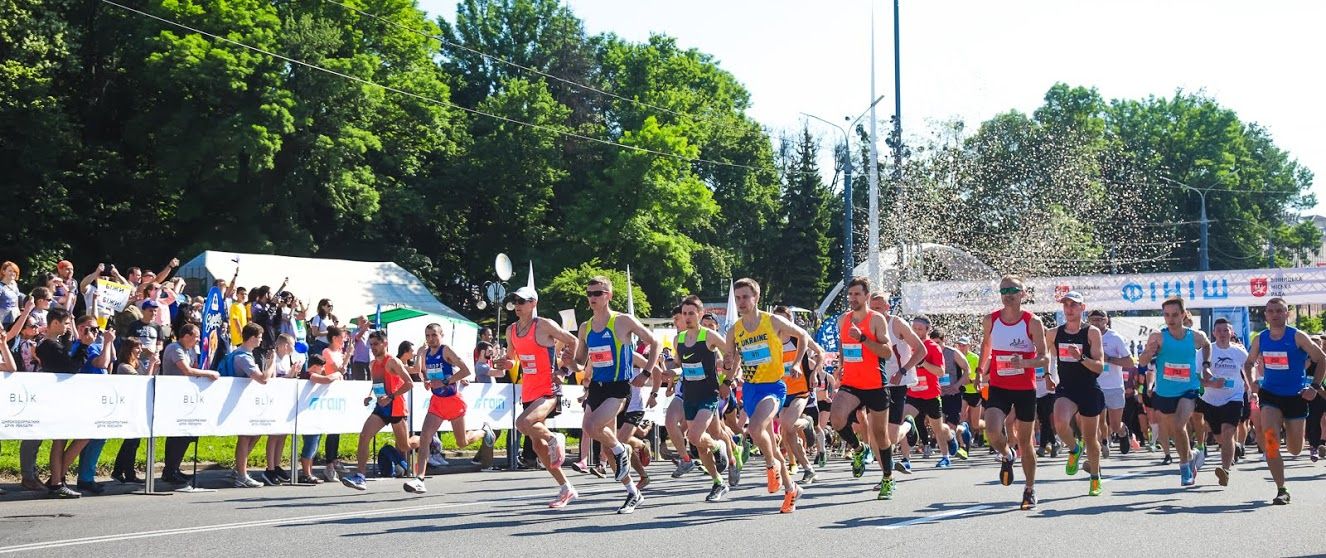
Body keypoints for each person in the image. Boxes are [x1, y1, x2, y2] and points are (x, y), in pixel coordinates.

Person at [574, 276, 660, 514]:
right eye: (589, 294)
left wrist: (646, 373)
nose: (592, 298)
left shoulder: (622, 321)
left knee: (592, 427)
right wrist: (568, 361)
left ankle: (622, 451)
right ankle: (633, 492)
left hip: (619, 386)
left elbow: (654, 343)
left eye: (598, 293)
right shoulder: (585, 327)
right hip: (597, 387)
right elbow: (580, 360)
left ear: (609, 295)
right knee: (603, 444)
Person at [725, 277, 807, 513]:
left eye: (745, 297)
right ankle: (791, 489)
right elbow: (732, 359)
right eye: (738, 297)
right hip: (751, 389)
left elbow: (802, 336)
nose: (741, 302)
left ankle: (770, 466)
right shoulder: (734, 330)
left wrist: (798, 363)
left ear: (756, 297)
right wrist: (728, 368)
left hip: (773, 386)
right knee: (767, 440)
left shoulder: (772, 321)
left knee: (755, 428)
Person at [494, 285, 579, 506]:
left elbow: (573, 341)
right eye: (516, 302)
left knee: (522, 423)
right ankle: (566, 487)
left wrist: (564, 371)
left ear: (534, 303)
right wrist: (506, 363)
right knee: (537, 447)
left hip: (548, 389)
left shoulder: (544, 325)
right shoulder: (511, 330)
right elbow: (513, 360)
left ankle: (555, 438)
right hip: (529, 391)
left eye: (522, 301)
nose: (518, 306)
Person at [1243, 297, 1326, 504]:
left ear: (1286, 313)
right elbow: (1249, 363)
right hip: (1270, 395)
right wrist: (1252, 382)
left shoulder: (1297, 336)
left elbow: (1322, 358)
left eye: (1279, 311)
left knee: (1295, 449)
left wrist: (1314, 387)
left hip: (1296, 396)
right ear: (1265, 315)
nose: (1275, 315)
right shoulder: (1260, 339)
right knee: (1270, 438)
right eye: (1270, 311)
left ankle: (1295, 440)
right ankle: (1281, 489)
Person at [976, 275, 1048, 510]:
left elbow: (1044, 357)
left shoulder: (1032, 321)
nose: (1007, 294)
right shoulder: (991, 320)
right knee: (993, 430)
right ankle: (1007, 455)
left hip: (1025, 389)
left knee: (1026, 443)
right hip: (999, 386)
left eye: (1013, 290)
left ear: (1023, 294)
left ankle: (1029, 489)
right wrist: (980, 370)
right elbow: (986, 346)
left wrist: (1024, 364)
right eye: (1003, 290)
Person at [406, 323, 497, 493]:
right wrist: (427, 381)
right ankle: (420, 478)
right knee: (425, 437)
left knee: (461, 442)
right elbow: (425, 372)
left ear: (441, 335)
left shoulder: (446, 350)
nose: (431, 339)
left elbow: (466, 370)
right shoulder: (426, 353)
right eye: (427, 336)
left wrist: (446, 381)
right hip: (437, 402)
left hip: (453, 400)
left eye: (434, 335)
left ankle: (484, 431)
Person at [830, 278, 898, 498]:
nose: (852, 299)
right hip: (851, 383)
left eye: (857, 294)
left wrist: (863, 339)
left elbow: (887, 352)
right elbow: (843, 344)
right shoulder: (843, 320)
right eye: (850, 295)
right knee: (837, 419)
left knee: (880, 434)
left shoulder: (876, 320)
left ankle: (888, 477)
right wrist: (840, 365)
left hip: (876, 384)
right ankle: (859, 449)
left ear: (867, 296)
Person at [1138, 296, 1212, 487]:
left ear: (1183, 314)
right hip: (1166, 391)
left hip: (1189, 388)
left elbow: (1206, 344)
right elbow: (1143, 362)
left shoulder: (1194, 336)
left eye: (1174, 315)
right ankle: (1192, 455)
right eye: (1166, 315)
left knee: (1179, 425)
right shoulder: (1158, 336)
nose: (1170, 319)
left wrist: (1205, 365)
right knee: (1176, 432)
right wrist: (1149, 352)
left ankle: (1184, 467)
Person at [1045, 291, 1107, 496]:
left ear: (1082, 308)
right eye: (1066, 305)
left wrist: (1081, 358)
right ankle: (1073, 449)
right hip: (1067, 388)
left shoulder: (1092, 333)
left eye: (1074, 305)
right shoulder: (1054, 333)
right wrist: (1048, 375)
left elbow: (1099, 367)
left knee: (1091, 438)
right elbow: (1050, 357)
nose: (1069, 309)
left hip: (1089, 388)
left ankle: (1095, 477)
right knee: (1060, 422)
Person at [341, 330, 415, 491]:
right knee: (364, 435)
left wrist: (390, 396)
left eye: (376, 344)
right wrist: (370, 396)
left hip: (396, 407)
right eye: (371, 344)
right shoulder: (372, 364)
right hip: (381, 408)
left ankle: (428, 441)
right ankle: (360, 476)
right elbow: (377, 384)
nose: (373, 348)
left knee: (404, 445)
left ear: (385, 343)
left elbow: (409, 383)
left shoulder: (393, 362)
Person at [676, 296, 732, 501]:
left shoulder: (709, 336)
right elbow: (679, 364)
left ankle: (719, 446)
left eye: (692, 313)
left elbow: (732, 354)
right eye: (685, 313)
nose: (688, 317)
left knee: (694, 435)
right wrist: (666, 372)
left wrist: (728, 377)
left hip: (709, 394)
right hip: (690, 395)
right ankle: (718, 482)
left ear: (700, 314)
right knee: (699, 444)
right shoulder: (679, 339)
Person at [35, 307, 86, 498]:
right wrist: (83, 346)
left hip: (64, 396)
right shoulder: (48, 345)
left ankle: (57, 479)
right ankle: (56, 481)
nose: (67, 327)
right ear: (54, 323)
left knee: (72, 437)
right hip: (56, 397)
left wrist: (74, 340)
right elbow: (71, 367)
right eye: (65, 323)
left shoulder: (55, 343)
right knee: (61, 439)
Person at [159, 323, 219, 484]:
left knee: (185, 435)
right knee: (176, 435)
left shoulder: (189, 350)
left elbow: (194, 367)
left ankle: (175, 468)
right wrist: (208, 373)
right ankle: (169, 470)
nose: (198, 340)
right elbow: (187, 370)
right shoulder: (174, 348)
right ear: (186, 336)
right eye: (196, 337)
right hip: (174, 396)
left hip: (186, 397)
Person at [773, 305, 823, 485]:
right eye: (776, 319)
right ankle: (808, 469)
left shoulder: (798, 337)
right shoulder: (772, 340)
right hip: (780, 390)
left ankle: (807, 422)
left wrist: (814, 372)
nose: (779, 323)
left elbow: (820, 353)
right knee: (787, 433)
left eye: (783, 320)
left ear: (790, 321)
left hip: (800, 391)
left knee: (787, 424)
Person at [219, 323, 272, 488]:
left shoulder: (245, 354)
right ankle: (241, 475)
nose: (261, 340)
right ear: (252, 338)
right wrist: (271, 363)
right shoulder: (243, 356)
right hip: (239, 403)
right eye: (260, 337)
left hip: (244, 401)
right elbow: (263, 379)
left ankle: (239, 469)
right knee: (245, 436)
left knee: (255, 434)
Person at [1202, 318, 1252, 486]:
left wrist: (1254, 390)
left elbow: (1250, 370)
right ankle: (1234, 446)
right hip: (1210, 400)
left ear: (1231, 333)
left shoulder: (1239, 352)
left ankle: (1225, 470)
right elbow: (1194, 377)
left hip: (1234, 397)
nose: (1223, 334)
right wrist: (1210, 383)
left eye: (1226, 330)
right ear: (1214, 333)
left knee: (1228, 431)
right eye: (1219, 331)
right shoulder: (1205, 351)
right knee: (1220, 437)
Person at [1089, 310, 1134, 455]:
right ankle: (1101, 445)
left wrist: (1109, 359)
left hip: (1114, 386)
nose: (1096, 322)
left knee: (1114, 425)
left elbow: (1130, 362)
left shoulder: (1115, 338)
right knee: (1096, 420)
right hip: (1094, 385)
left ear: (1106, 320)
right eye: (1093, 319)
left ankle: (1122, 432)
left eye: (1099, 319)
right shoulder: (1086, 335)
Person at [111, 338, 153, 484]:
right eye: (137, 348)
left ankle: (121, 471)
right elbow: (142, 382)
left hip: (139, 405)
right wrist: (152, 364)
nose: (140, 351)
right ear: (128, 349)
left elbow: (149, 377)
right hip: (129, 406)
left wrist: (154, 365)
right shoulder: (124, 367)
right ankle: (126, 472)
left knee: (133, 441)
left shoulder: (138, 363)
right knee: (131, 440)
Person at [259, 334, 299, 485]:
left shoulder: (287, 358)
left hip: (285, 399)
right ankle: (269, 468)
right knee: (274, 435)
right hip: (274, 399)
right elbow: (273, 380)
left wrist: (293, 373)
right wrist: (289, 375)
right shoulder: (273, 356)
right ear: (283, 345)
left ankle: (276, 464)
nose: (293, 348)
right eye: (291, 345)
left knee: (283, 434)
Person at [128, 300, 165, 374]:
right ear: (143, 311)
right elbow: (129, 341)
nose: (153, 313)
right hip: (136, 360)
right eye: (150, 311)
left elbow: (160, 344)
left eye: (155, 311)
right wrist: (144, 348)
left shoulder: (157, 327)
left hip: (152, 360)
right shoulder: (134, 325)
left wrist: (156, 351)